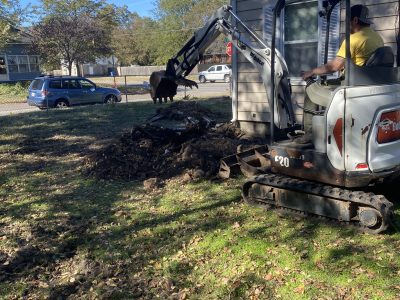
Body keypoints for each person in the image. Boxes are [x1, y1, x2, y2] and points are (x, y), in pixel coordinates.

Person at [302, 4, 383, 80]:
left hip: (354, 84)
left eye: (348, 21)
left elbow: (335, 66)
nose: (347, 25)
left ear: (355, 20)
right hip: (372, 81)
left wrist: (311, 72)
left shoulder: (353, 39)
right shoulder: (378, 38)